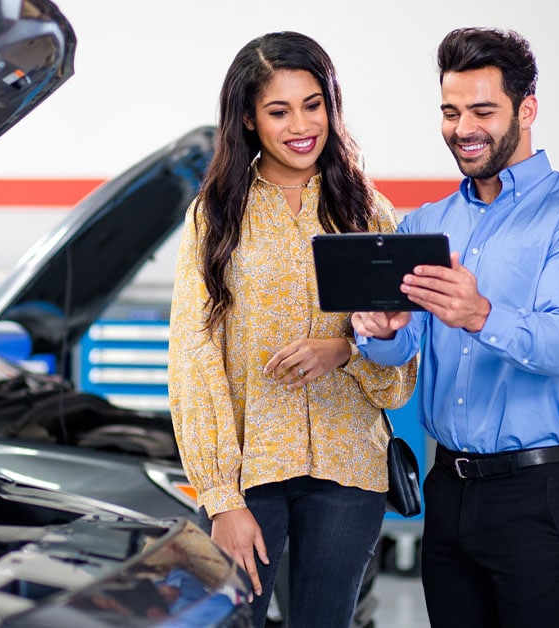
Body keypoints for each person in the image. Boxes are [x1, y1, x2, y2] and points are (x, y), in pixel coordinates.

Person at [352, 27, 559, 628]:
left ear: (527, 109)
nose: (463, 128)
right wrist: (378, 329)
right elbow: (400, 348)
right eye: (450, 112)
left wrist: (480, 315)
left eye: (482, 110)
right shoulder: (427, 223)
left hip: (540, 493)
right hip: (447, 489)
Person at [167, 31, 417, 628]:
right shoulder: (214, 217)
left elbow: (400, 370)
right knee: (229, 621)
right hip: (250, 472)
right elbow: (193, 354)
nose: (301, 125)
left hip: (349, 468)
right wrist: (221, 498)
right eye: (278, 111)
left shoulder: (367, 212)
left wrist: (348, 351)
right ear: (249, 120)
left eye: (313, 104)